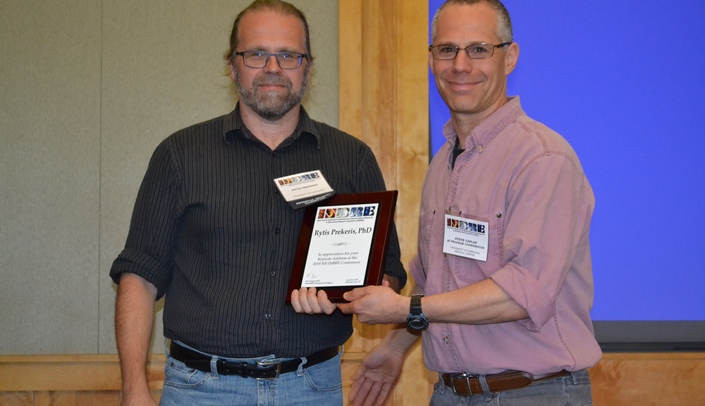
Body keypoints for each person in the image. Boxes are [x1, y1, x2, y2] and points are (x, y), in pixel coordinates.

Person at [109, 1, 406, 405]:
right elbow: (139, 277)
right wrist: (134, 388)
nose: (273, 67)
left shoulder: (351, 159)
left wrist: (346, 296)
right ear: (232, 66)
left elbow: (387, 275)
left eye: (288, 55)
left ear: (307, 67)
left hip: (312, 388)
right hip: (201, 390)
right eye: (256, 54)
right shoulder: (179, 155)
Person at [336, 1, 602, 405]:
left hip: (530, 393)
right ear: (431, 59)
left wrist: (405, 309)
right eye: (447, 50)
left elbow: (522, 294)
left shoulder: (543, 159)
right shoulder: (445, 163)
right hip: (451, 392)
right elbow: (435, 283)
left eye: (479, 49)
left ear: (509, 57)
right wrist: (393, 350)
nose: (460, 65)